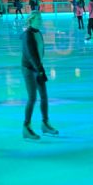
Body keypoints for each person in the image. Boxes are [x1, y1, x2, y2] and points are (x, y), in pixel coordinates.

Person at [21, 11, 59, 139]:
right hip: (29, 69)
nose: (41, 21)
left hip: (37, 67)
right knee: (32, 97)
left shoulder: (38, 33)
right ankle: (26, 127)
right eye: (38, 19)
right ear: (31, 20)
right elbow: (31, 55)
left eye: (41, 19)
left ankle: (45, 124)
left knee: (44, 96)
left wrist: (40, 68)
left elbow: (39, 52)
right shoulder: (27, 35)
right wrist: (40, 70)